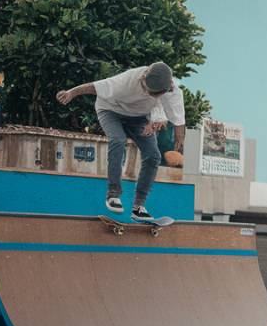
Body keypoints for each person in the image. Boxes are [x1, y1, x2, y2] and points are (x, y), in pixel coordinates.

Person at [56, 62, 185, 217]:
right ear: (144, 77)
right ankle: (113, 194)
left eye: (151, 92)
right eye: (145, 87)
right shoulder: (128, 79)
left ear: (167, 88)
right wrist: (72, 93)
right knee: (118, 140)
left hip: (138, 118)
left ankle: (138, 206)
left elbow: (177, 116)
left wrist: (179, 135)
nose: (146, 92)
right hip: (110, 111)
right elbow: (95, 87)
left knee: (153, 155)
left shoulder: (172, 90)